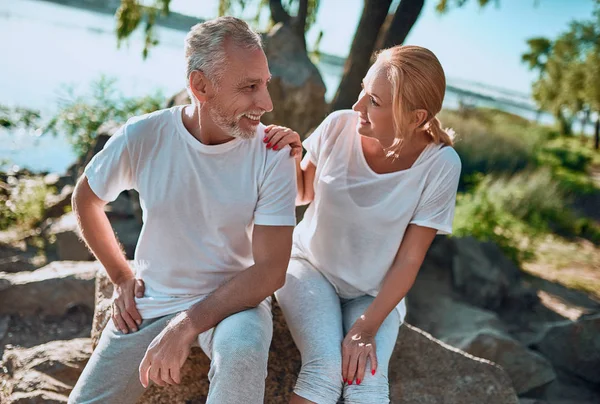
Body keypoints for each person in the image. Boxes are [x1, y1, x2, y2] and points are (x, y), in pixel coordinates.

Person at [69, 16, 297, 404]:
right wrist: (121, 275)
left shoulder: (273, 153)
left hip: (235, 304)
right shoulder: (144, 136)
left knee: (242, 353)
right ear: (200, 86)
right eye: (249, 87)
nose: (266, 103)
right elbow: (86, 200)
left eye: (265, 84)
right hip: (151, 300)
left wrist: (186, 325)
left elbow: (271, 270)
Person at [263, 45, 462, 403]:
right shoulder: (339, 125)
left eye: (374, 101)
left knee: (367, 388)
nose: (357, 107)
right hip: (310, 267)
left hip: (374, 291)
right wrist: (292, 156)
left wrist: (366, 328)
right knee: (324, 370)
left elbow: (410, 259)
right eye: (363, 91)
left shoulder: (441, 165)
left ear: (416, 117)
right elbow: (302, 192)